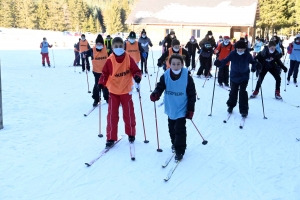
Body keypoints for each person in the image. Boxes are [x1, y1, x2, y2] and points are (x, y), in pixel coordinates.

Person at [150, 54, 196, 161]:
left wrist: (190, 109)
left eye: (178, 64)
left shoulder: (187, 77)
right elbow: (160, 86)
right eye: (173, 64)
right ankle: (174, 143)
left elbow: (191, 94)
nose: (176, 66)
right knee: (171, 128)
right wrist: (156, 93)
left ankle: (180, 150)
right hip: (171, 107)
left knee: (179, 129)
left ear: (182, 64)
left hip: (182, 107)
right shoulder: (165, 76)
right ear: (169, 64)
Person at [98, 37, 142, 148]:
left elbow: (136, 70)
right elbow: (104, 73)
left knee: (129, 113)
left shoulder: (128, 58)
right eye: (116, 46)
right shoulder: (110, 60)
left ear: (124, 47)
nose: (118, 48)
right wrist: (101, 83)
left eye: (120, 46)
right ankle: (111, 137)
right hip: (113, 91)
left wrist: (137, 77)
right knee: (112, 115)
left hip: (126, 91)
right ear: (112, 48)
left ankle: (131, 133)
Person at [214, 40, 258, 117]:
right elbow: (225, 60)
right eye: (238, 49)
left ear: (245, 49)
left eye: (242, 50)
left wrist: (256, 66)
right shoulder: (233, 54)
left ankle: (244, 109)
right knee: (233, 91)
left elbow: (253, 62)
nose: (240, 51)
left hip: (244, 76)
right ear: (236, 49)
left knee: (242, 92)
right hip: (234, 76)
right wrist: (220, 63)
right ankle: (231, 105)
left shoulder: (247, 55)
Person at [82, 34, 112, 106]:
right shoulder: (92, 50)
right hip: (96, 71)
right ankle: (96, 99)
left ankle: (107, 98)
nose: (99, 45)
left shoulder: (106, 49)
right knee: (97, 85)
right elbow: (86, 53)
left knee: (106, 85)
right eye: (97, 44)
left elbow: (112, 55)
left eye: (100, 44)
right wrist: (85, 55)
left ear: (102, 44)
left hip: (105, 71)